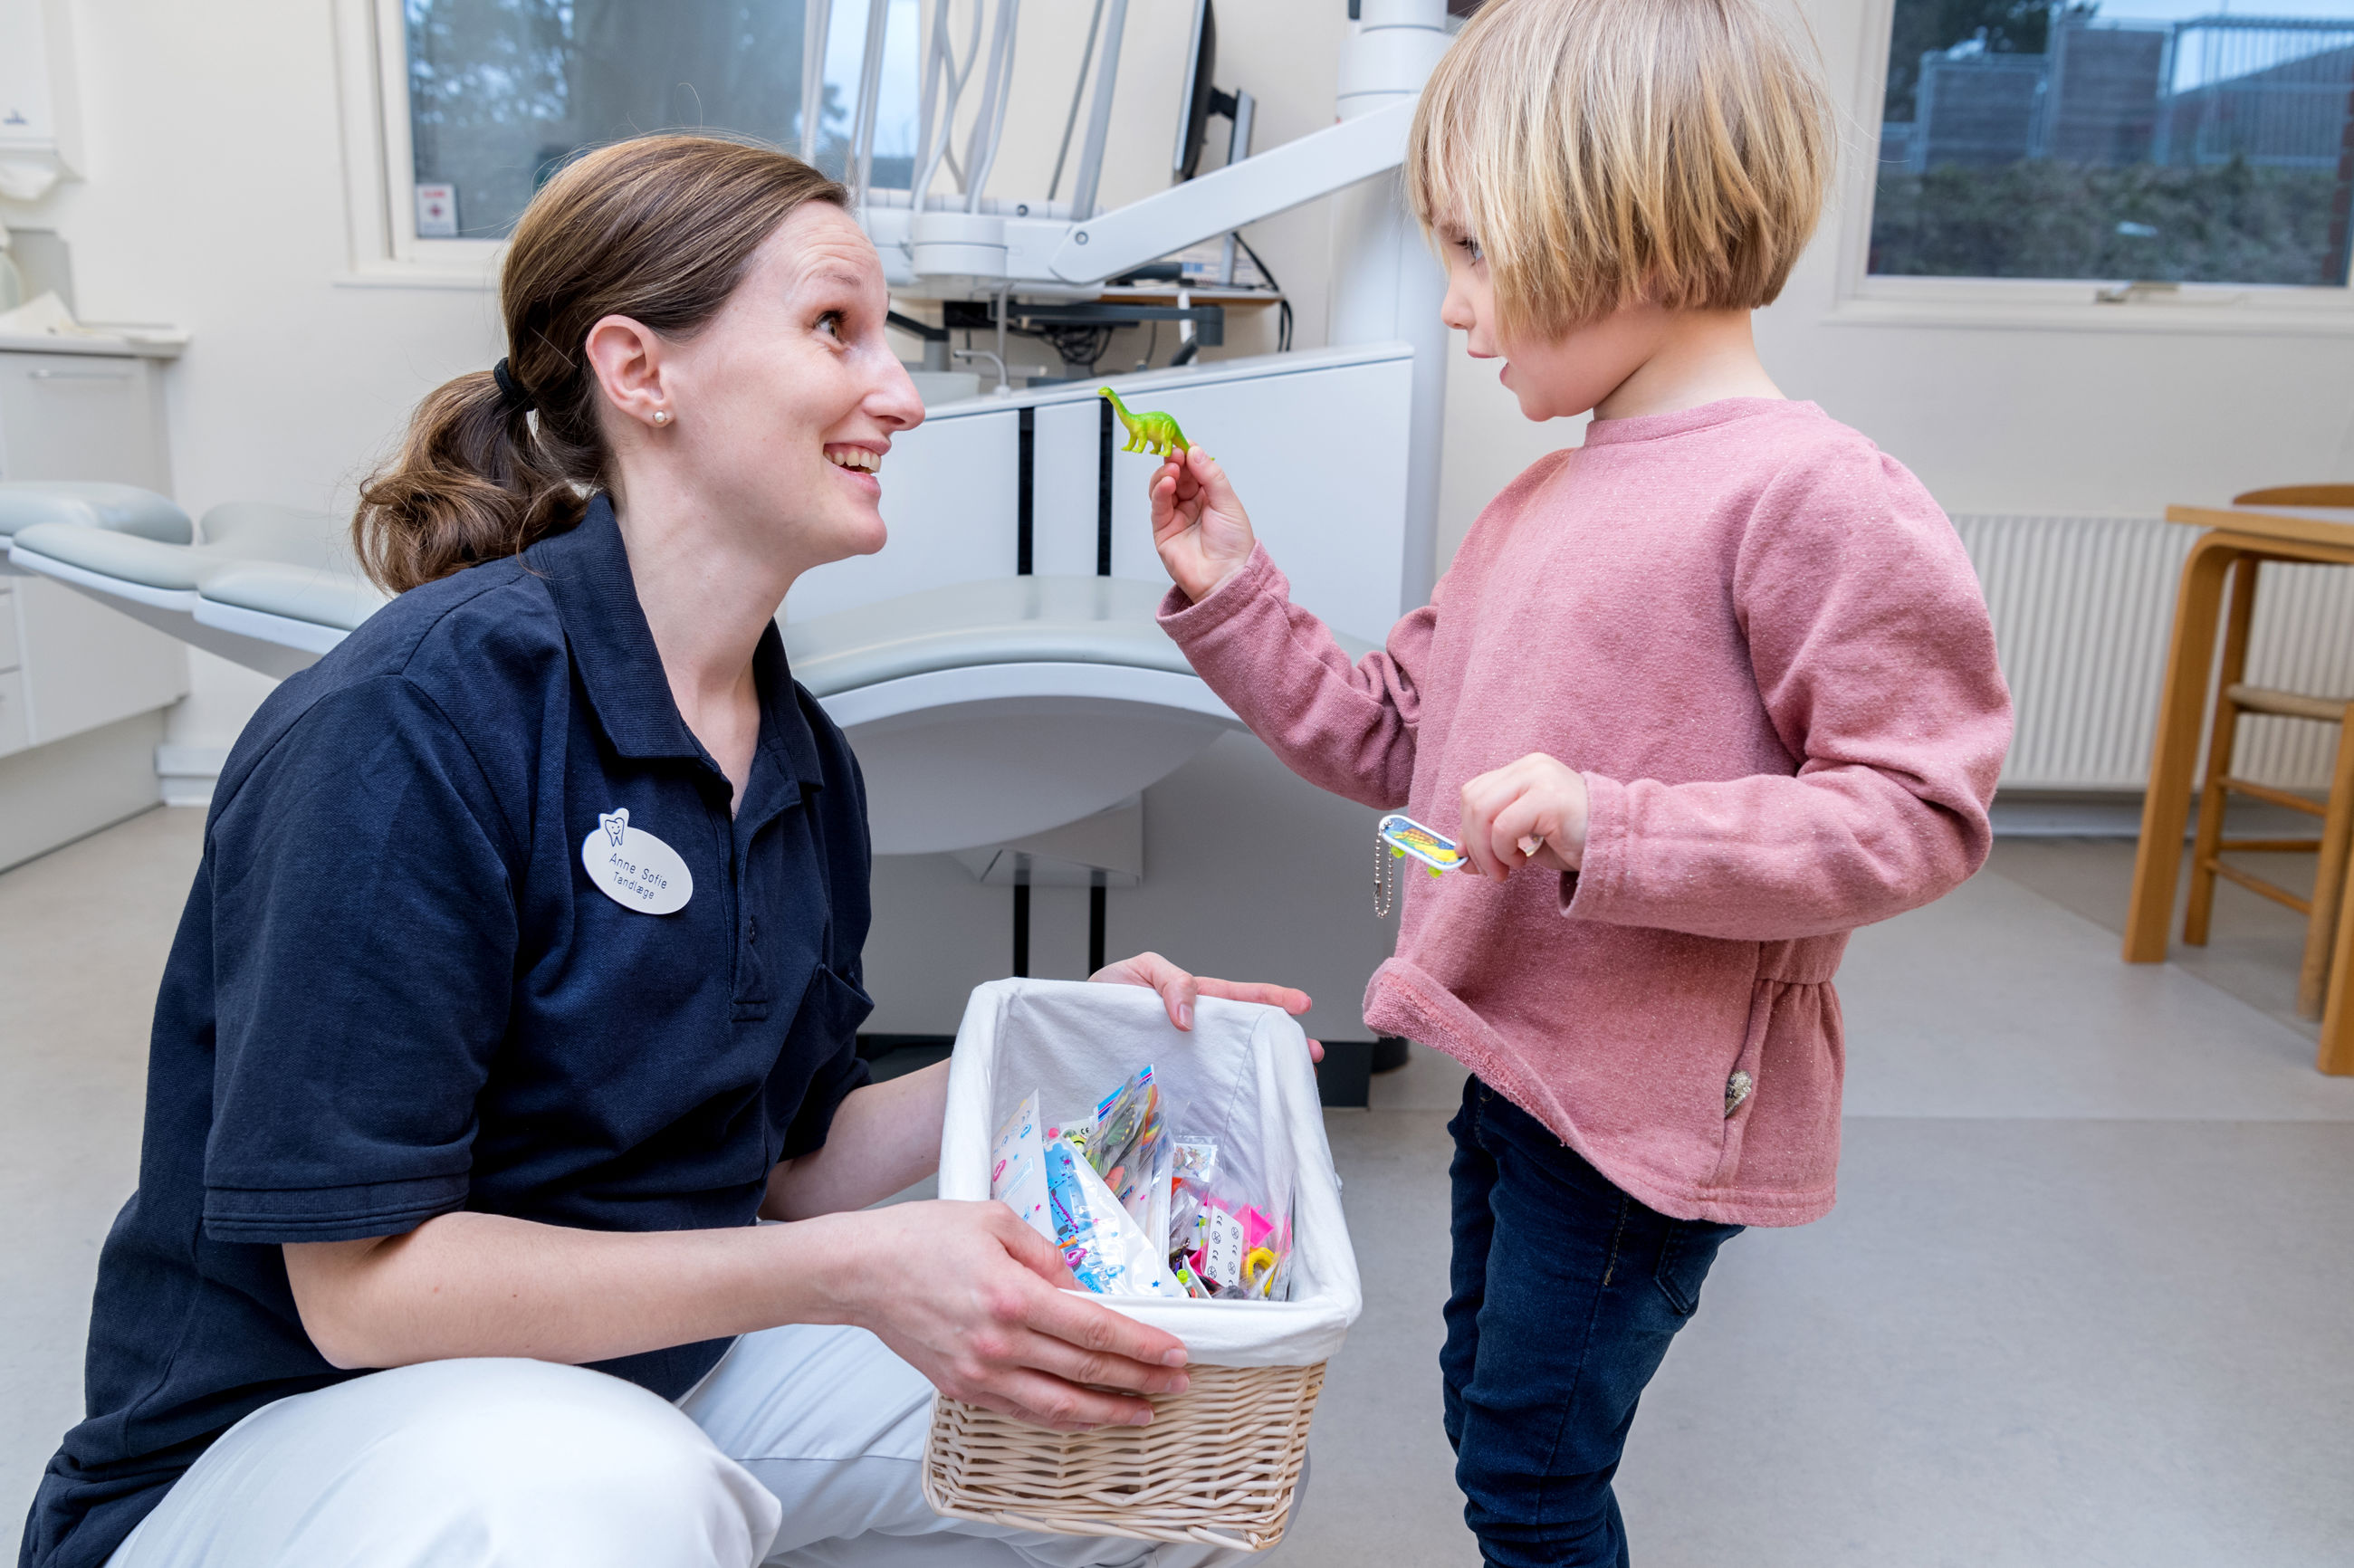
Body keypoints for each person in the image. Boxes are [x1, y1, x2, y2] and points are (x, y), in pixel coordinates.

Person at [20, 135, 1317, 1568]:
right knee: (617, 1491)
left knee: (1139, 1423)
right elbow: (364, 1294)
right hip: (290, 1441)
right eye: (834, 328)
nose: (899, 394)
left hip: (646, 1373)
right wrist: (848, 1274)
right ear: (640, 371)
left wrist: (1049, 1041)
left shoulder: (800, 759)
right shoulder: (410, 725)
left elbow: (788, 1171)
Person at [1142, 0, 2014, 1563]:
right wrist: (1236, 593)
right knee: (1490, 1419)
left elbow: (1917, 813)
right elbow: (1393, 740)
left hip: (1648, 1106)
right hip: (1515, 1062)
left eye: (1475, 250)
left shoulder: (1815, 495)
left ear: (1635, 230)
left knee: (1531, 1477)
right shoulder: (1536, 503)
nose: (1455, 304)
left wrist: (1617, 827)